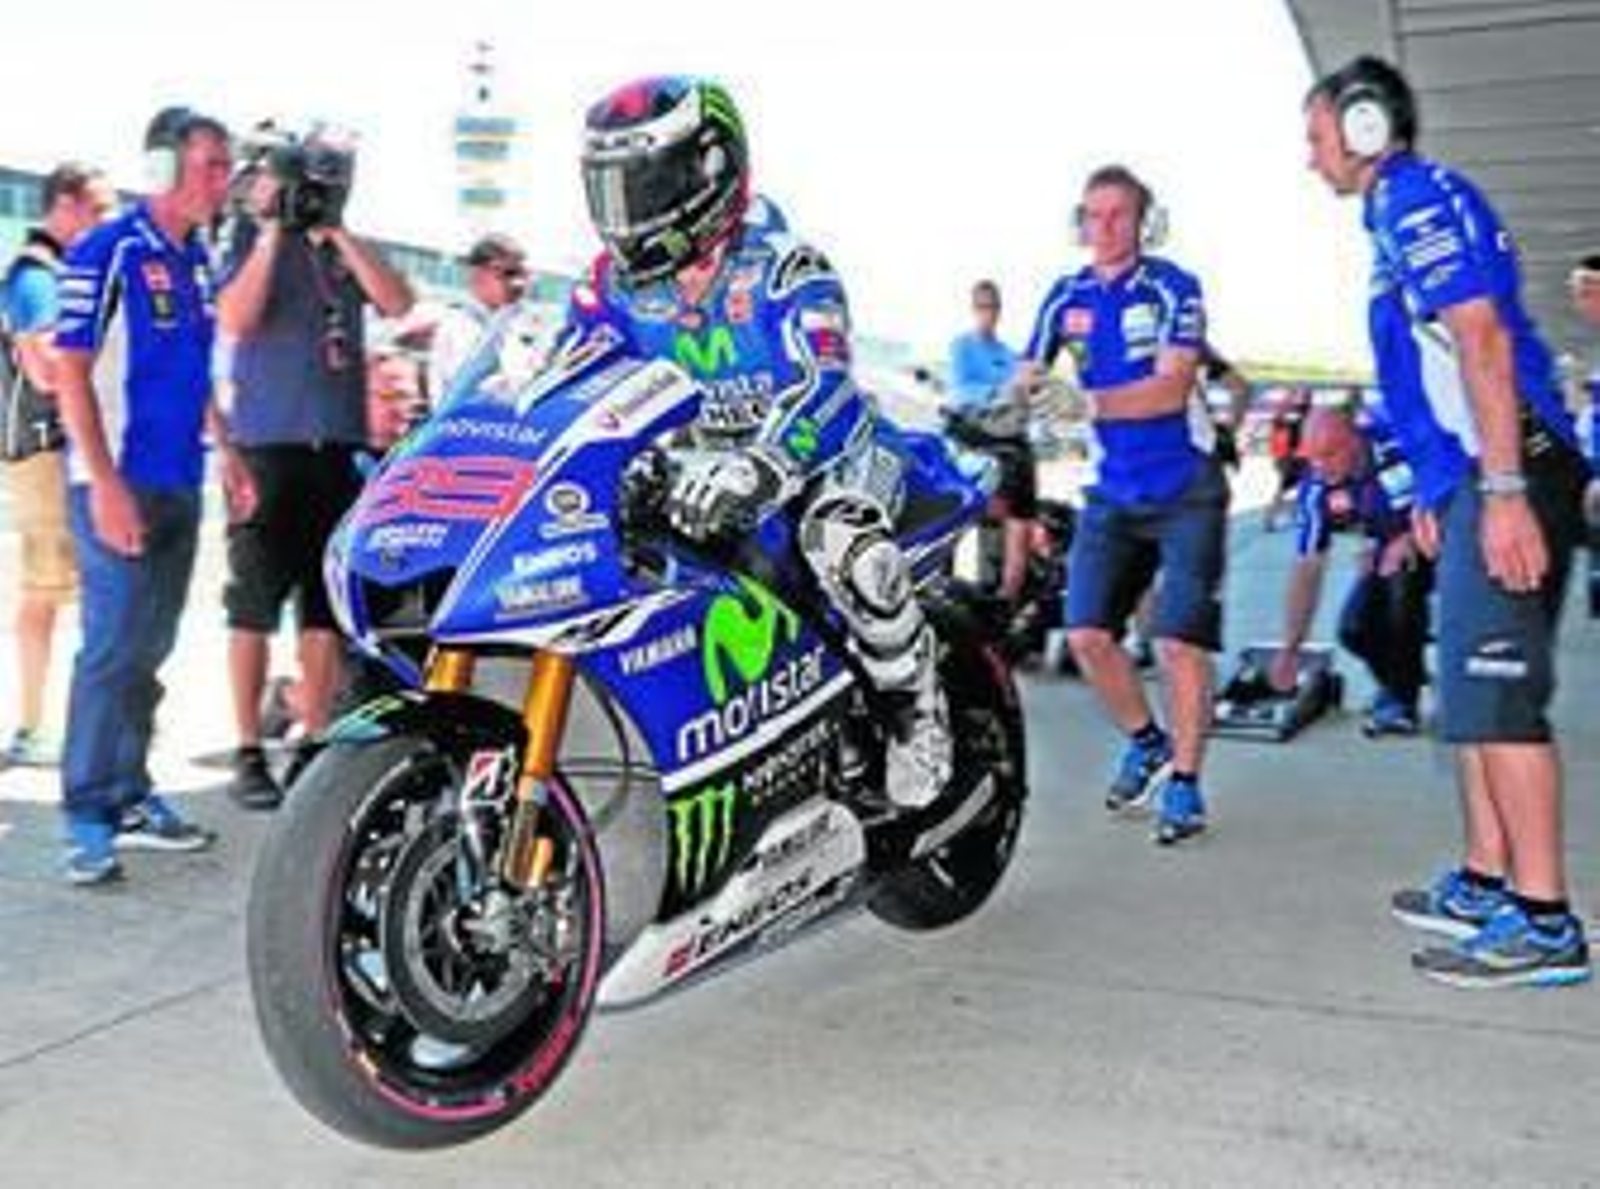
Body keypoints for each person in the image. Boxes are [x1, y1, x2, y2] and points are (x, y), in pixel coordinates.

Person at [559, 74, 948, 808]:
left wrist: (767, 461)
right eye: (610, 190)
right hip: (695, 473)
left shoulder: (785, 267)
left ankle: (914, 712)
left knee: (845, 543)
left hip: (832, 457)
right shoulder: (607, 289)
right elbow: (562, 381)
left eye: (643, 185)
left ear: (709, 170)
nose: (626, 214)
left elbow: (827, 384)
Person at [1306, 56, 1592, 987]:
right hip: (1471, 478)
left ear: (1361, 129)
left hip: (1511, 474)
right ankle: (1488, 878)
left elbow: (1482, 338)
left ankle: (1547, 920)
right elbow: (1430, 376)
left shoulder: (1415, 199)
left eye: (1316, 137)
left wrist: (1504, 492)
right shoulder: (1396, 215)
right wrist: (1439, 490)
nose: (1309, 158)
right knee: (1469, 696)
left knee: (1499, 698)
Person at [52, 107, 250, 885]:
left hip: (178, 482)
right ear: (164, 167)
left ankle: (130, 793)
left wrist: (229, 452)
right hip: (116, 484)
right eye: (208, 165)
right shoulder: (109, 249)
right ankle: (87, 812)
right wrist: (103, 484)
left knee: (150, 649)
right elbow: (69, 369)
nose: (221, 181)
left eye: (224, 166)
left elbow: (196, 372)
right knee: (109, 650)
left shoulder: (197, 259)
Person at [1021, 164, 1224, 845]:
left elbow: (1170, 389)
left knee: (1176, 642)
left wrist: (1086, 402)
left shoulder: (1176, 288)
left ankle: (1188, 785)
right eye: (1093, 215)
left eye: (1118, 215)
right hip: (1113, 491)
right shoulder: (1064, 294)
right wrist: (1018, 393)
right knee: (1085, 635)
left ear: (1145, 222)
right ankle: (1146, 739)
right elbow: (1028, 371)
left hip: (1187, 487)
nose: (1104, 227)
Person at [217, 123, 414, 810]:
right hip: (266, 446)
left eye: (330, 183)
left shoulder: (346, 249)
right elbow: (236, 319)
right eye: (313, 183)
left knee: (324, 610)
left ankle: (313, 738)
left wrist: (340, 234)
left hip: (337, 449)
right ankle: (247, 748)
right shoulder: (248, 238)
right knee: (251, 606)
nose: (319, 194)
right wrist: (275, 230)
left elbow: (398, 303)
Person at [1, 164, 114, 766]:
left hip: (50, 448)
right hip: (42, 450)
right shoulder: (35, 277)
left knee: (68, 590)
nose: (102, 224)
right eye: (96, 211)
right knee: (45, 590)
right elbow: (46, 367)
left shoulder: (53, 275)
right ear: (63, 206)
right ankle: (34, 726)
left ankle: (51, 721)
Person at [1268, 402, 1432, 736]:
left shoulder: (1399, 449)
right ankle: (1403, 676)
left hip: (1448, 537)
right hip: (1388, 546)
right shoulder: (1316, 487)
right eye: (1312, 457)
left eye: (1329, 455)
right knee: (1353, 628)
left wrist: (1411, 537)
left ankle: (1401, 701)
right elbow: (1307, 567)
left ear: (1355, 440)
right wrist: (1291, 646)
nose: (1320, 467)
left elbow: (1455, 494)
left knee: (1400, 577)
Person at [947, 278, 1035, 602]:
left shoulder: (1010, 355)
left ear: (999, 310)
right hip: (970, 436)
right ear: (974, 309)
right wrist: (1001, 393)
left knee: (1010, 505)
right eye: (982, 306)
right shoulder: (962, 347)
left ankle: (1000, 593)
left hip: (1006, 439)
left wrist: (1013, 397)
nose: (988, 313)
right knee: (957, 507)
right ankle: (941, 584)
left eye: (993, 307)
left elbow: (1023, 396)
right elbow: (962, 392)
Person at [427, 232, 531, 398]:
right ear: (478, 275)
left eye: (524, 274)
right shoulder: (458, 326)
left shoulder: (516, 330)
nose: (519, 283)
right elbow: (476, 388)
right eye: (509, 273)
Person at [1263, 386, 1312, 530]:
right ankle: (1275, 517)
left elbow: (1278, 420)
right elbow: (1278, 420)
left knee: (1295, 489)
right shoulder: (1299, 414)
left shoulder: (1300, 414)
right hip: (1296, 458)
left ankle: (1285, 516)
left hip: (1298, 457)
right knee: (1293, 489)